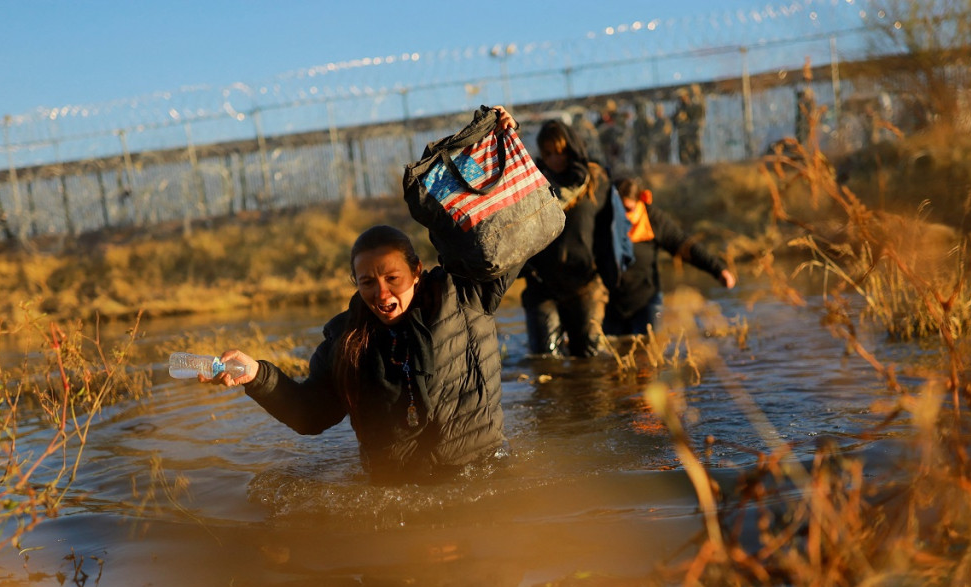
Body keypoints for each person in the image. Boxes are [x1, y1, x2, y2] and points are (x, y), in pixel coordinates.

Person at [203, 108, 528, 484]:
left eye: (392, 277)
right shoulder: (346, 340)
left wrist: (503, 138)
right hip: (397, 497)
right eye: (367, 282)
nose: (382, 293)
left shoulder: (465, 295)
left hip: (480, 481)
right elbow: (311, 414)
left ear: (417, 270)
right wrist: (256, 375)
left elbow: (505, 235)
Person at [520, 119, 621, 357]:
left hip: (585, 282)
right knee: (545, 359)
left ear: (572, 149)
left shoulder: (595, 180)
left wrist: (612, 276)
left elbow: (611, 231)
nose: (555, 159)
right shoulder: (532, 185)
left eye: (560, 152)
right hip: (542, 284)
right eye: (548, 153)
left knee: (590, 357)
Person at [603, 177, 736, 337]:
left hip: (646, 302)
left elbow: (684, 245)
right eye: (619, 210)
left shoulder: (653, 220)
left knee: (647, 352)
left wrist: (718, 269)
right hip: (611, 305)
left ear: (640, 202)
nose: (624, 216)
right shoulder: (605, 221)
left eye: (628, 209)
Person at [674, 86, 706, 165]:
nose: (681, 99)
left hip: (692, 133)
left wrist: (686, 117)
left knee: (695, 153)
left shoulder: (694, 105)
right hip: (683, 135)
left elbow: (698, 116)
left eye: (682, 97)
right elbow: (675, 120)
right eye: (680, 97)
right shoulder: (679, 108)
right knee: (684, 155)